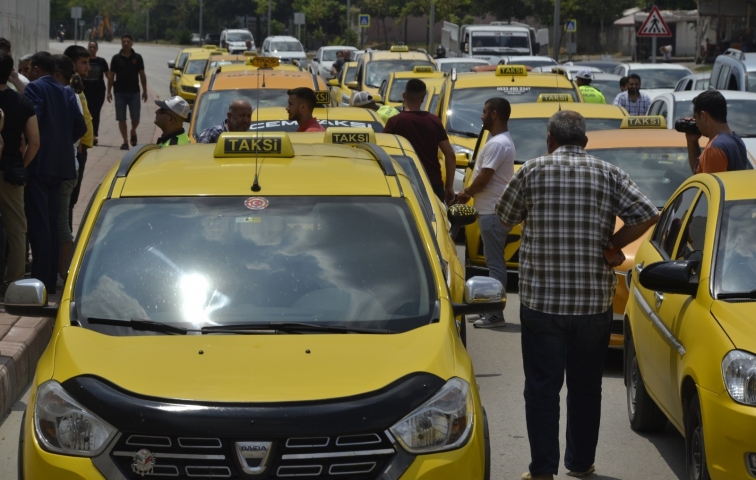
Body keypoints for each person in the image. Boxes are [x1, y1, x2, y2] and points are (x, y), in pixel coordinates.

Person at [495, 110, 659, 480]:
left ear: (550, 140)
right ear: (584, 142)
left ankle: (542, 471)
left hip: (542, 304)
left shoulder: (533, 170)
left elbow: (504, 219)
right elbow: (649, 214)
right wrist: (612, 244)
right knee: (586, 388)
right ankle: (581, 464)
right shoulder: (609, 173)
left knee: (541, 389)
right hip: (592, 305)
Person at [24, 52, 86, 293]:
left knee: (39, 225)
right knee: (51, 222)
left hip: (39, 165)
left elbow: (33, 120)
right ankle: (49, 281)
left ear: (37, 69)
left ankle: (40, 282)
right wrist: (62, 143)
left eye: (29, 68)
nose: (28, 72)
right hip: (61, 167)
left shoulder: (34, 89)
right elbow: (80, 126)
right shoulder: (67, 91)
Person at [455, 97, 514, 328]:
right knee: (493, 263)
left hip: (493, 212)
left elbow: (484, 178)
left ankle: (495, 314)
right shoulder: (499, 141)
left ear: (495, 115)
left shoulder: (498, 144)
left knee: (495, 264)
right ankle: (489, 310)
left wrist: (466, 192)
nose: (481, 116)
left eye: (484, 112)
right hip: (490, 211)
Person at [0, 51, 39, 291]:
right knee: (16, 229)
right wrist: (21, 165)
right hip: (11, 172)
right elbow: (34, 142)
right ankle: (12, 281)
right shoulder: (22, 102)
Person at [383, 79, 456, 204]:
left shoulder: (394, 122)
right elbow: (450, 154)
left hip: (403, 182)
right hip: (431, 183)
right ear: (423, 98)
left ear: (404, 95)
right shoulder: (434, 121)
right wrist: (449, 186)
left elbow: (383, 151)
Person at [53, 54, 92, 281]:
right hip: (68, 164)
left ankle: (64, 271)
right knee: (61, 218)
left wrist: (63, 144)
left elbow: (81, 128)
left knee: (61, 221)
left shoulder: (69, 95)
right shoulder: (69, 95)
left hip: (65, 167)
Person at [63, 46, 95, 235]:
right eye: (83, 63)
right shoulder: (68, 88)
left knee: (71, 200)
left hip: (81, 149)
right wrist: (78, 142)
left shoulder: (77, 85)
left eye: (88, 62)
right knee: (68, 200)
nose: (88, 67)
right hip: (77, 150)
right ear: (71, 63)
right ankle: (66, 239)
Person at [683, 90, 748, 174]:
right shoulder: (737, 140)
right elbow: (698, 173)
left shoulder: (714, 148)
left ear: (703, 116)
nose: (696, 124)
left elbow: (709, 185)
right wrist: (692, 141)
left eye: (696, 118)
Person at [107, 34, 147, 150]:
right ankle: (125, 141)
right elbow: (111, 76)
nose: (125, 43)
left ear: (132, 43)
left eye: (128, 41)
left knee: (136, 118)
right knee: (121, 118)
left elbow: (142, 75)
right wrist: (109, 91)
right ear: (121, 43)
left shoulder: (137, 58)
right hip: (119, 92)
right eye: (123, 41)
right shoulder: (116, 58)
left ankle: (133, 130)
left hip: (134, 92)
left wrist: (145, 91)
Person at [83, 41, 109, 146]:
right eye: (90, 47)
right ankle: (85, 134)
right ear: (88, 48)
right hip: (85, 90)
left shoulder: (101, 61)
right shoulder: (84, 61)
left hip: (98, 92)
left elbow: (109, 76)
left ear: (97, 49)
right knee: (85, 112)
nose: (92, 49)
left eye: (94, 47)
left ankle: (94, 135)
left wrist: (111, 89)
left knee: (95, 112)